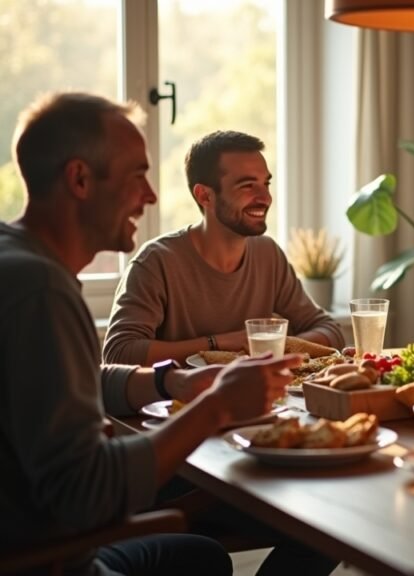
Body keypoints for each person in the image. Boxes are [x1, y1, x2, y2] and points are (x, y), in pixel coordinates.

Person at [0, 92, 310, 575]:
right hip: (55, 563)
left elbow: (83, 378)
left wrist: (169, 382)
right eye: (136, 176)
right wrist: (217, 406)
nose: (150, 196)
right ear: (80, 179)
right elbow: (89, 496)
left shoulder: (17, 260)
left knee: (201, 556)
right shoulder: (41, 291)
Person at [102, 130, 345, 366]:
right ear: (205, 196)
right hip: (182, 405)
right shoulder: (156, 262)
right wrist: (219, 344)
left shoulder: (267, 254)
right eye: (247, 186)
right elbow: (120, 352)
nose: (265, 198)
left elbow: (329, 330)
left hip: (263, 402)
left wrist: (276, 347)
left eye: (266, 184)